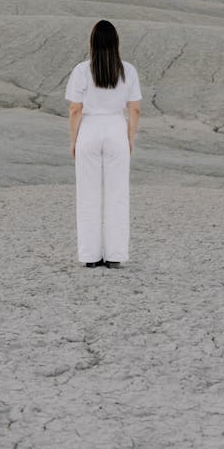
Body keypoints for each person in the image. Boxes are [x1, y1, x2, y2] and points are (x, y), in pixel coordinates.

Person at [65, 20, 141, 268]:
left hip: (89, 128)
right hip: (116, 128)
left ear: (92, 43)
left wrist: (74, 140)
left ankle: (90, 256)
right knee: (117, 195)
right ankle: (115, 255)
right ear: (116, 42)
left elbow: (75, 109)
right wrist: (129, 138)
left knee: (88, 194)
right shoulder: (128, 71)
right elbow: (135, 109)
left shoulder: (81, 70)